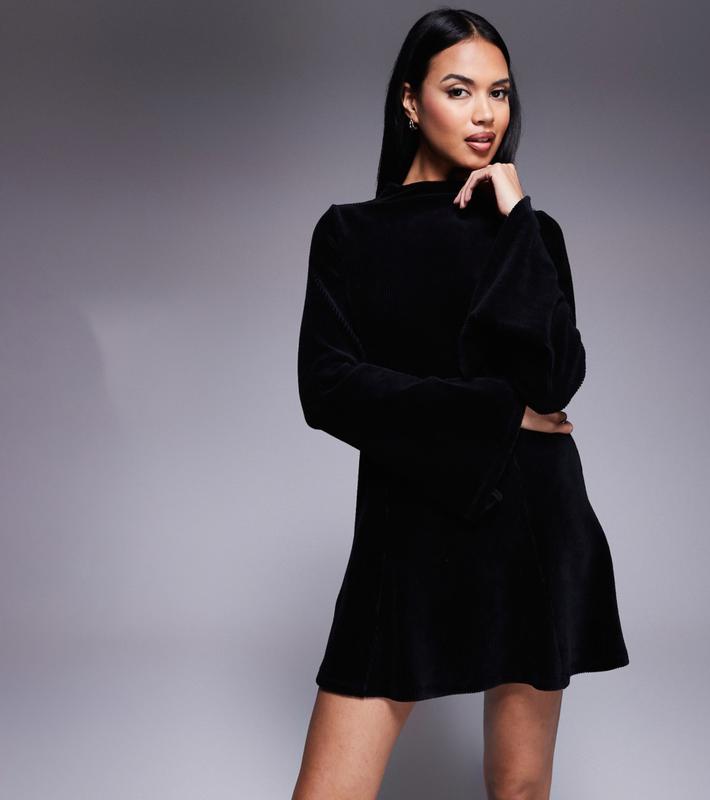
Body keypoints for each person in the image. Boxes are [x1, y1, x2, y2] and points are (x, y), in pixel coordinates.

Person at [292, 8, 630, 799]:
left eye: (499, 93)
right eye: (459, 90)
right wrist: (498, 414)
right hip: (409, 533)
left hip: (533, 528)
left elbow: (555, 381)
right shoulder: (350, 234)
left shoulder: (531, 232)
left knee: (520, 790)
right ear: (411, 101)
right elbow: (328, 387)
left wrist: (518, 220)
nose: (485, 115)